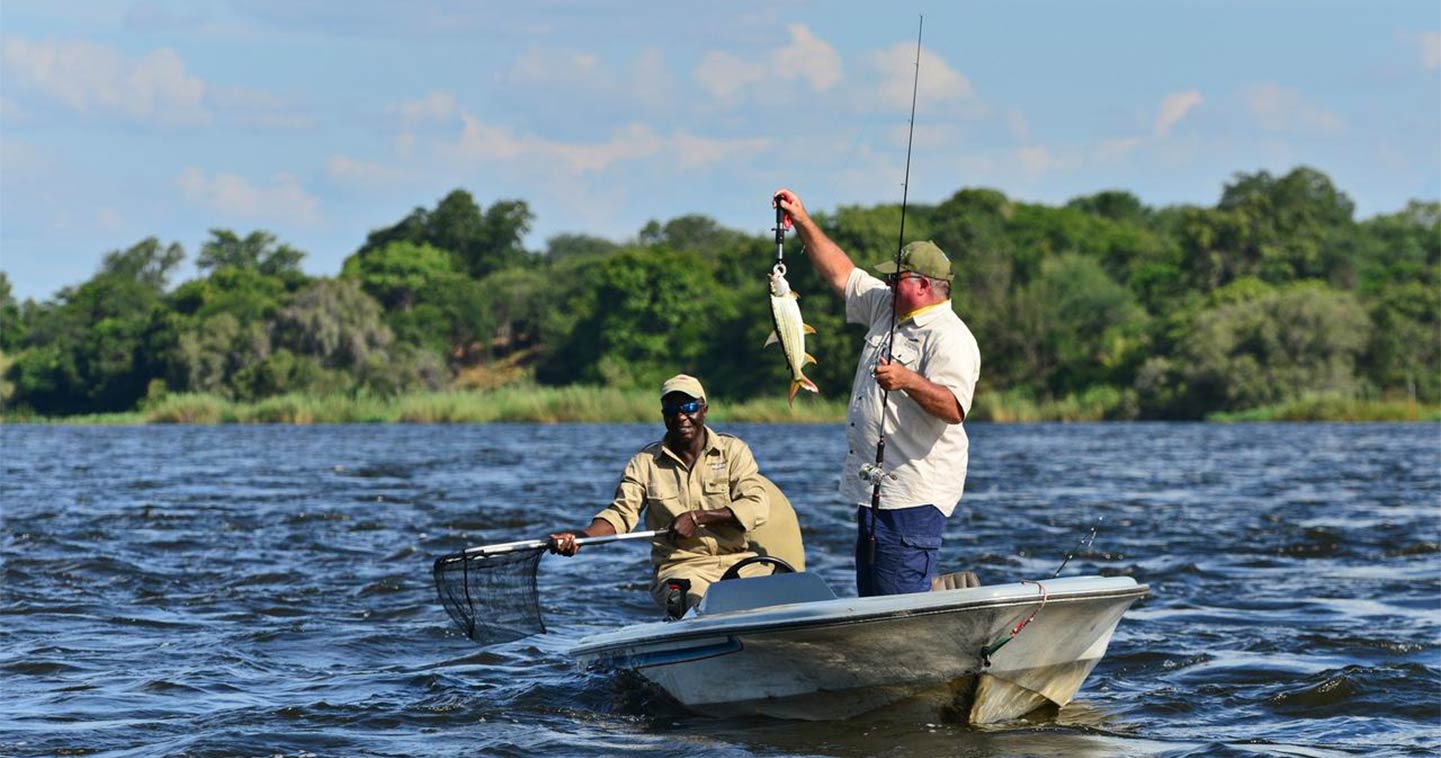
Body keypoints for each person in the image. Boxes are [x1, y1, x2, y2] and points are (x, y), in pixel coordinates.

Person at [773, 188, 981, 597]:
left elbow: (954, 407)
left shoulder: (951, 338)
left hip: (914, 496)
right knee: (874, 597)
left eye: (896, 277)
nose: (887, 282)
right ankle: (926, 592)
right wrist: (801, 219)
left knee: (895, 603)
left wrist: (908, 379)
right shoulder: (887, 307)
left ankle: (928, 603)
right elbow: (840, 273)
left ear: (923, 285)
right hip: (874, 491)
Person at [548, 374, 803, 618]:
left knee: (784, 603)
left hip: (739, 563)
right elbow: (620, 514)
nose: (681, 416)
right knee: (703, 606)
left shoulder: (734, 452)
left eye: (689, 406)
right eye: (672, 410)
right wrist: (581, 537)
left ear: (704, 410)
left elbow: (756, 506)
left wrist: (698, 517)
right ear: (663, 416)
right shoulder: (644, 463)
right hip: (681, 569)